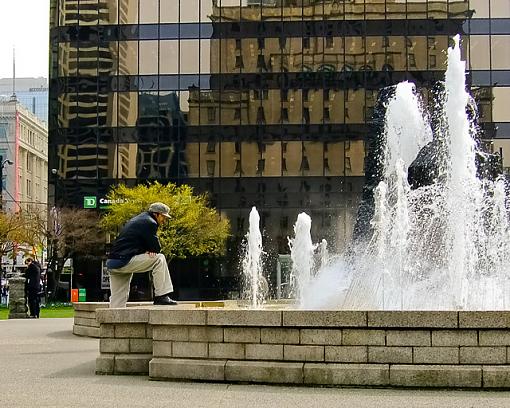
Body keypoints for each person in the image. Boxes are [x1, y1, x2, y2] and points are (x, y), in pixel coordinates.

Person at [106, 202, 177, 308]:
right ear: (156, 214)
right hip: (125, 260)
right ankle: (161, 296)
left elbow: (133, 241)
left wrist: (146, 250)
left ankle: (111, 323)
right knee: (159, 259)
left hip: (113, 263)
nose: (164, 220)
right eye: (163, 217)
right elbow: (156, 248)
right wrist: (149, 249)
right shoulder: (150, 222)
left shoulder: (137, 220)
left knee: (118, 300)